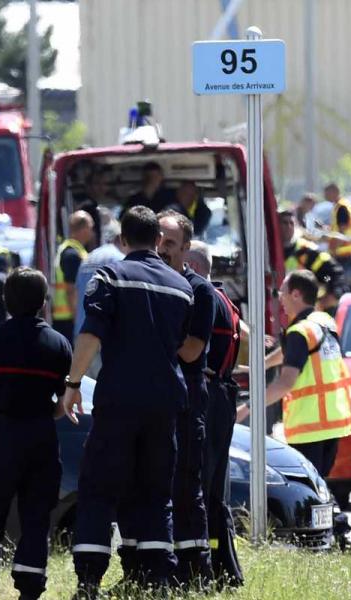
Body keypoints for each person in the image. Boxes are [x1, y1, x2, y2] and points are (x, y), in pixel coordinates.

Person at [61, 206, 193, 598]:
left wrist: (72, 384)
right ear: (157, 240)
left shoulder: (109, 276)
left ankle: (88, 581)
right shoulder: (180, 286)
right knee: (155, 491)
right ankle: (155, 579)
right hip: (164, 402)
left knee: (100, 487)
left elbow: (89, 336)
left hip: (119, 399)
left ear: (121, 242)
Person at [0, 268, 72, 600]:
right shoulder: (59, 343)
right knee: (36, 516)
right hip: (40, 438)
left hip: (1, 435)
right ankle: (30, 587)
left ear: (5, 299)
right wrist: (45, 413)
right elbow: (65, 400)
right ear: (43, 303)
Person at [237, 270, 351, 477]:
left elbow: (285, 383)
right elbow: (292, 351)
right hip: (333, 421)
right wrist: (263, 365)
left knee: (309, 489)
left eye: (282, 292)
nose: (279, 297)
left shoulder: (300, 332)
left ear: (296, 294)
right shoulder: (323, 322)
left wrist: (248, 407)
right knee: (320, 486)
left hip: (310, 425)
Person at [152, 211, 215, 587]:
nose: (162, 249)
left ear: (186, 248)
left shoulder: (200, 291)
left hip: (188, 398)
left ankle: (197, 573)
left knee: (187, 486)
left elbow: (192, 351)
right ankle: (161, 569)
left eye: (171, 243)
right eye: (158, 240)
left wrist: (151, 341)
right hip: (158, 399)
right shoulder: (152, 286)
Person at [185, 241, 246, 589]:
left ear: (192, 263)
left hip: (209, 397)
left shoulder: (202, 297)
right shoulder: (225, 301)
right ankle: (225, 568)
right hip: (222, 394)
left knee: (203, 489)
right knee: (214, 492)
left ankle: (210, 567)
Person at [279, 209, 347, 314]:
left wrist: (332, 295)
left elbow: (334, 272)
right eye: (284, 223)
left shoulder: (305, 250)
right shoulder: (268, 253)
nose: (289, 227)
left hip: (304, 317)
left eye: (291, 223)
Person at [74, 215, 124, 339]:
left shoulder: (88, 258)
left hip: (82, 332)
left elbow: (76, 295)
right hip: (105, 336)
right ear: (121, 238)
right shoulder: (119, 259)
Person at [53, 211, 94, 341]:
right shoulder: (72, 254)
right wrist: (79, 322)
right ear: (84, 229)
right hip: (69, 320)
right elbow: (71, 290)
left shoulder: (71, 250)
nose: (92, 232)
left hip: (66, 318)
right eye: (91, 227)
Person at [325, 183, 351, 261]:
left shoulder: (341, 207)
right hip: (350, 251)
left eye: (327, 194)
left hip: (345, 253)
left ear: (334, 192)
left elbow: (342, 232)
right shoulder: (343, 204)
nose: (325, 197)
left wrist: (333, 251)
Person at [76, 168, 114, 246]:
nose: (101, 187)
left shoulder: (96, 205)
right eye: (97, 183)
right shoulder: (88, 206)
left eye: (104, 184)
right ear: (88, 186)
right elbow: (92, 235)